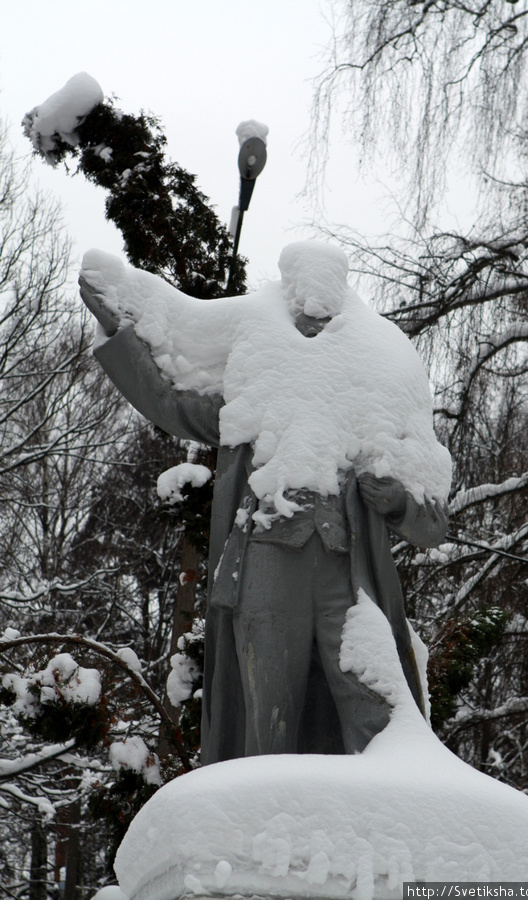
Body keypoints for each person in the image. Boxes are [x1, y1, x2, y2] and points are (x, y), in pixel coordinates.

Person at [79, 241, 449, 764]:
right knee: (268, 714)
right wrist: (121, 323)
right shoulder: (257, 351)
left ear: (341, 295)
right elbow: (174, 396)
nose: (313, 309)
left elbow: (433, 516)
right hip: (265, 562)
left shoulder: (384, 367)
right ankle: (260, 822)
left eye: (324, 296)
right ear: (289, 289)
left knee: (378, 711)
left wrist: (396, 503)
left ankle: (389, 811)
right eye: (304, 294)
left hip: (348, 576)